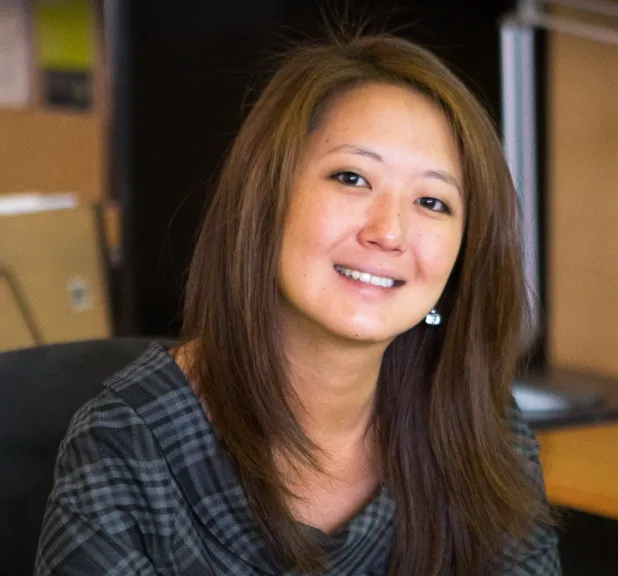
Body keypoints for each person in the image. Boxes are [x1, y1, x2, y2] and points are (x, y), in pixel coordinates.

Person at [35, 31, 561, 575]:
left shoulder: (477, 420)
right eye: (352, 178)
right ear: (266, 199)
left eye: (432, 201)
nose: (389, 232)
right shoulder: (129, 445)